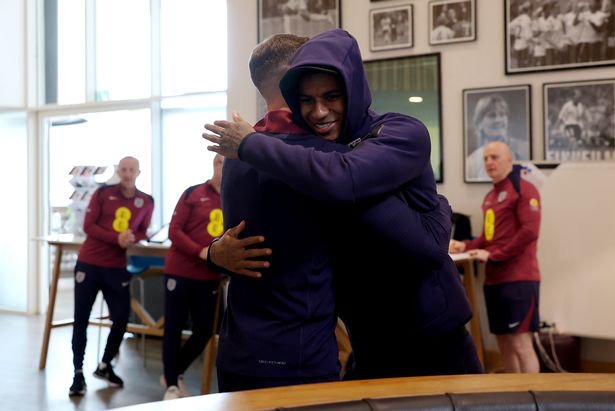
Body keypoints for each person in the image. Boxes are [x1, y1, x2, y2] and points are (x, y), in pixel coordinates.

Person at [204, 29, 482, 380]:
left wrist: (250, 144)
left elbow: (422, 243)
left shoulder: (397, 131)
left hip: (431, 334)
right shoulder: (310, 158)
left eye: (332, 96)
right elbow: (269, 232)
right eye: (306, 100)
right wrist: (214, 252)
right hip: (363, 336)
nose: (319, 111)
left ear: (351, 87)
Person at [449, 141, 541, 374]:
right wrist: (464, 245)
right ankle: (514, 400)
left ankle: (534, 400)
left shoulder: (523, 189)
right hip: (494, 281)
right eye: (486, 158)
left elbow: (530, 231)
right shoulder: (491, 196)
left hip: (518, 280)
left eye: (495, 157)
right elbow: (487, 239)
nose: (489, 162)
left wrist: (494, 255)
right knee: (504, 345)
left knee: (521, 344)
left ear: (510, 159)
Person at [69, 156, 154, 396]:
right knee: (81, 319)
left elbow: (141, 231)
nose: (127, 174)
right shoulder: (102, 194)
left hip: (116, 267)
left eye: (132, 170)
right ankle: (77, 373)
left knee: (121, 318)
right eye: (123, 169)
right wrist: (115, 237)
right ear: (118, 171)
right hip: (90, 263)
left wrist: (132, 238)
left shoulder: (146, 201)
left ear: (138, 172)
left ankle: (105, 365)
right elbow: (89, 226)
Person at [160, 154, 224, 400]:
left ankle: (173, 372)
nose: (223, 166)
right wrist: (200, 251)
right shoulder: (193, 193)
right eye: (220, 162)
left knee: (205, 330)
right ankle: (172, 386)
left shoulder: (235, 195)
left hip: (210, 276)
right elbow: (174, 231)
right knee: (173, 328)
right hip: (180, 270)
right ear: (214, 164)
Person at [466, 94, 529, 181]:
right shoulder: (471, 162)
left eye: (502, 114)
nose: (498, 120)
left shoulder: (525, 149)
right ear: (479, 124)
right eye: (492, 115)